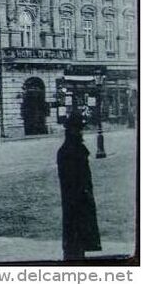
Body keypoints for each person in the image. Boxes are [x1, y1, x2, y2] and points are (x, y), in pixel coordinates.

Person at [57, 110, 101, 261]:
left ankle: (76, 253)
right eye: (78, 128)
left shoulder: (74, 148)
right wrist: (83, 192)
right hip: (76, 199)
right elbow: (72, 179)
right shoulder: (70, 150)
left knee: (79, 234)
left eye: (80, 128)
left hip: (79, 198)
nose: (81, 132)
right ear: (71, 130)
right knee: (75, 232)